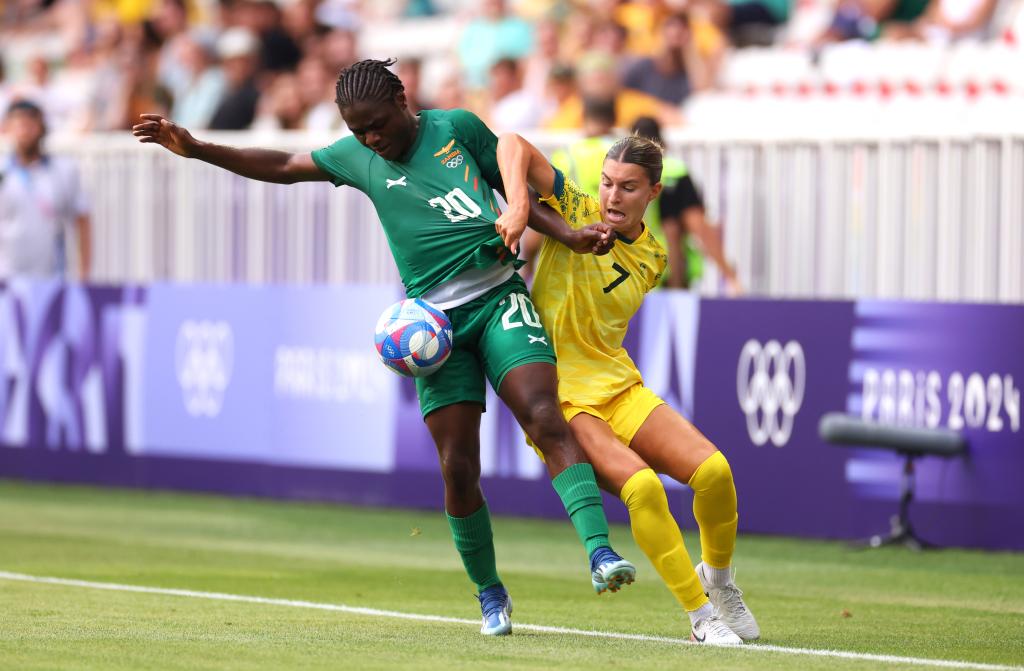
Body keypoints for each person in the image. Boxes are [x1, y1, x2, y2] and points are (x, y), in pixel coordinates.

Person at [132, 58, 635, 637]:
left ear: (402, 99)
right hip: (434, 327)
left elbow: (514, 189)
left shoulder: (458, 130)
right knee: (458, 467)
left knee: (545, 416)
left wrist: (570, 234)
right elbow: (283, 164)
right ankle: (490, 593)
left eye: (375, 124)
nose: (369, 138)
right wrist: (197, 149)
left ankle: (600, 554)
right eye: (357, 131)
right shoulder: (358, 159)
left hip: (499, 297)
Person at [492, 131, 761, 645]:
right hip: (563, 396)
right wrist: (522, 205)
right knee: (642, 487)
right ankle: (701, 617)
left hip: (619, 387)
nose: (613, 197)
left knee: (715, 472)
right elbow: (512, 145)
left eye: (628, 188)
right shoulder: (573, 206)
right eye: (608, 183)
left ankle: (720, 582)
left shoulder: (653, 260)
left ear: (654, 193)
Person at [630, 117, 741, 293]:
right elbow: (691, 227)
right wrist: (730, 276)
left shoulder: (617, 173)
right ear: (662, 142)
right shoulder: (673, 171)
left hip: (627, 272)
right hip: (664, 272)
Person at [0, 100, 91, 280]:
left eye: (30, 124)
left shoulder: (63, 170)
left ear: (41, 127)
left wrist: (84, 274)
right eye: (19, 125)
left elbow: (82, 219)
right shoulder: (4, 171)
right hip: (7, 280)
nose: (25, 131)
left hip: (51, 278)